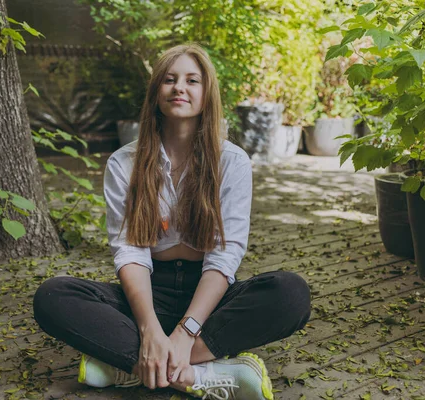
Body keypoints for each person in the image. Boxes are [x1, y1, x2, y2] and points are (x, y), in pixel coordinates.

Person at [33, 43, 311, 400]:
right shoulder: (124, 163)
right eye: (170, 79)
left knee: (291, 294)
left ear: (206, 94)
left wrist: (186, 331)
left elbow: (225, 257)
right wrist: (149, 328)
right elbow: (130, 253)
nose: (180, 87)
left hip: (208, 297)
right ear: (155, 94)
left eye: (192, 80)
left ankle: (138, 367)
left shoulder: (233, 162)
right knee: (53, 296)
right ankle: (202, 372)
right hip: (149, 292)